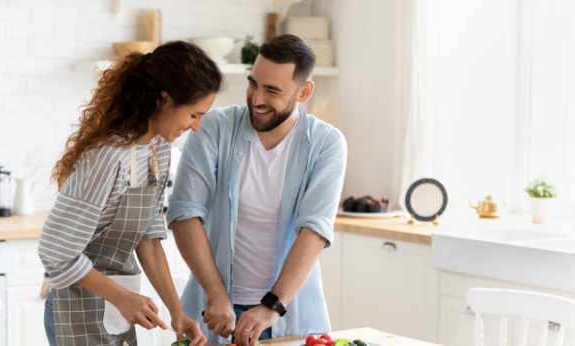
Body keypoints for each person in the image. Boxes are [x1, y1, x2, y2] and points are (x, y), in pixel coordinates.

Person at [38, 41, 223, 346]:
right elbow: (55, 252)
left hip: (115, 310)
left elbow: (147, 237)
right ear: (165, 100)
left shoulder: (158, 148)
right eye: (193, 114)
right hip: (77, 309)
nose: (197, 126)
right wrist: (123, 298)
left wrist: (177, 312)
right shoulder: (107, 157)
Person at [167, 34, 347, 346]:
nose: (257, 99)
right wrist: (215, 292)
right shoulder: (213, 127)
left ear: (304, 92)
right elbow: (185, 213)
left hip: (289, 315)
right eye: (254, 84)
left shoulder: (326, 144)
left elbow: (315, 230)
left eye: (273, 91)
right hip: (214, 312)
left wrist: (272, 306)